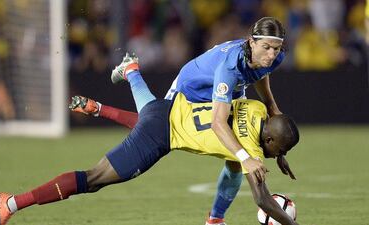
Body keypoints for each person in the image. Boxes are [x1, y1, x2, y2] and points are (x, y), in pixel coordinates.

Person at [0, 56, 300, 225]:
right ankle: (11, 203)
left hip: (168, 108)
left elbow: (269, 131)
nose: (276, 154)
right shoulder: (249, 147)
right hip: (161, 133)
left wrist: (276, 151)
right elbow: (261, 199)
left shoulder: (257, 109)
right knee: (94, 179)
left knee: (230, 165)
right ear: (268, 140)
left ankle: (130, 72)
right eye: (279, 150)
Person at [74, 17, 295, 225]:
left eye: (275, 49)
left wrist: (275, 134)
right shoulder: (230, 66)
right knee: (156, 125)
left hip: (230, 87)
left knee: (235, 157)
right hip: (193, 87)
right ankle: (131, 73)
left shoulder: (273, 55)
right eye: (266, 47)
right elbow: (218, 123)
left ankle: (215, 220)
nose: (271, 54)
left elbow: (261, 72)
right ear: (252, 42)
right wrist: (246, 157)